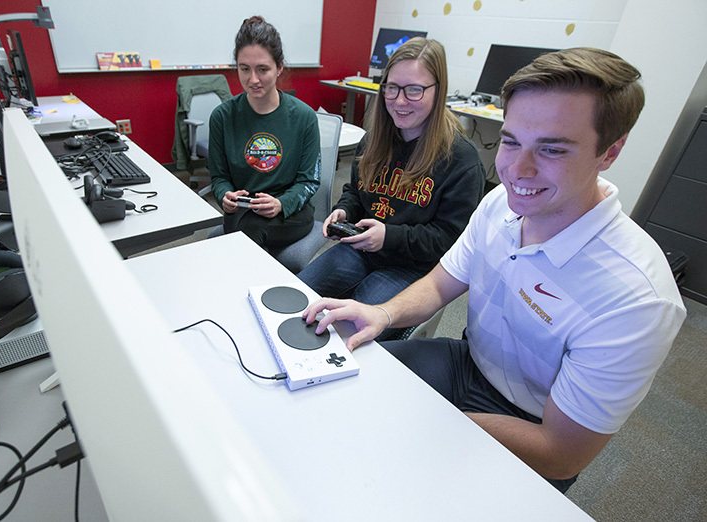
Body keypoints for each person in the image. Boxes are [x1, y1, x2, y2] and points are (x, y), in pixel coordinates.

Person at [301, 47, 687, 493]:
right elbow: (443, 281)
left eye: (552, 149)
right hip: (466, 364)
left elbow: (562, 454)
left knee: (411, 475)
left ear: (610, 152)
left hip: (532, 423)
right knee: (351, 383)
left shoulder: (637, 297)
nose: (516, 170)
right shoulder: (500, 204)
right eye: (510, 140)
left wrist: (437, 425)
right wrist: (384, 314)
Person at [297, 37, 485, 339]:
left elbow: (451, 242)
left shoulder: (460, 159)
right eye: (392, 88)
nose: (399, 101)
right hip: (359, 250)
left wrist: (390, 237)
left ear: (439, 91)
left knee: (355, 334)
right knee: (299, 297)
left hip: (412, 269)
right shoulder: (374, 139)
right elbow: (356, 192)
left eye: (414, 90)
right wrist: (344, 210)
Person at [208, 16, 320, 252]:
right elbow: (219, 178)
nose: (253, 79)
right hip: (243, 210)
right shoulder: (222, 117)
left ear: (279, 67)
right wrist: (224, 196)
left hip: (290, 212)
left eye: (263, 69)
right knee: (245, 225)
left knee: (247, 230)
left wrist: (281, 203)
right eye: (244, 69)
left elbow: (308, 181)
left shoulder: (304, 117)